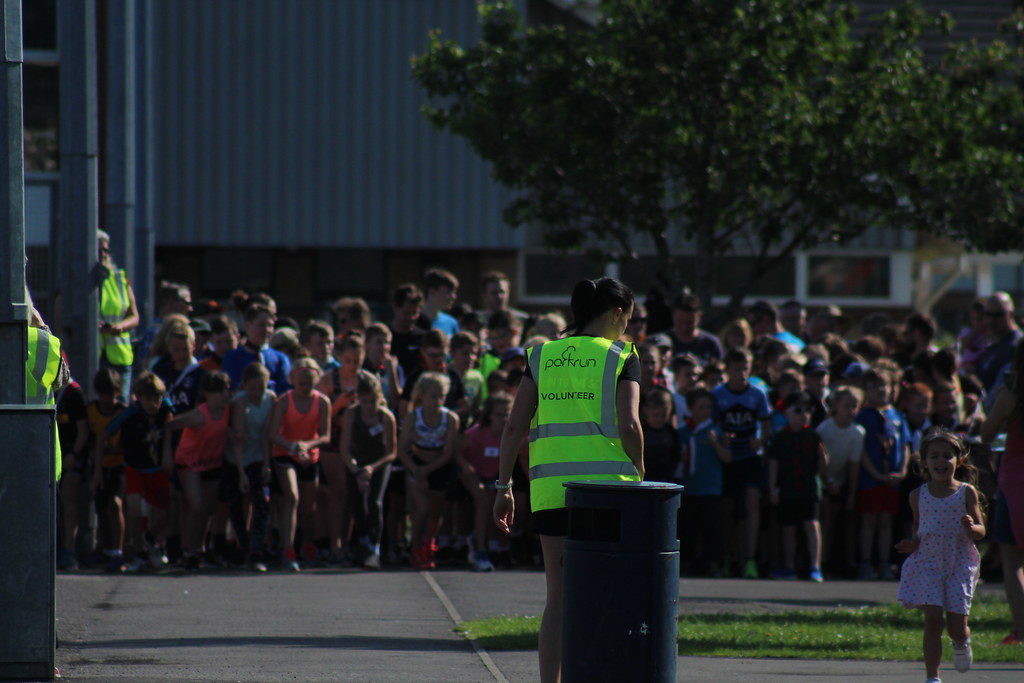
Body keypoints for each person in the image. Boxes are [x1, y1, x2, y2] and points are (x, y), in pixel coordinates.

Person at [493, 277, 644, 683]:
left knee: (558, 597)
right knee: (609, 593)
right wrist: (641, 468)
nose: (628, 327)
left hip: (553, 494)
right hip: (610, 493)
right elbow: (630, 424)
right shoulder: (621, 354)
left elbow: (512, 428)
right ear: (616, 314)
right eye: (628, 318)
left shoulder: (541, 355)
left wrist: (504, 486)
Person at [895, 429, 985, 682]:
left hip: (959, 563)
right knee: (933, 621)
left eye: (947, 456)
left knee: (956, 626)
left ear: (959, 461)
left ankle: (961, 641)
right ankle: (932, 677)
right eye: (934, 456)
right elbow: (919, 530)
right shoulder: (917, 495)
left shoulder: (966, 492)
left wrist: (972, 528)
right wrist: (912, 545)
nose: (940, 461)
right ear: (924, 462)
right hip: (928, 563)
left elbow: (981, 531)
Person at [102, 372, 173, 572]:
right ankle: (138, 551)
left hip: (156, 467)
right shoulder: (130, 413)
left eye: (157, 399)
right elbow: (105, 435)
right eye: (148, 399)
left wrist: (167, 453)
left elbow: (168, 427)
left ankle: (152, 542)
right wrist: (106, 460)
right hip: (134, 467)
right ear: (139, 397)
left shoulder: (165, 408)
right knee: (134, 509)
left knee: (163, 512)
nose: (153, 404)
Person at [162, 372, 232, 570]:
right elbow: (169, 425)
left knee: (208, 509)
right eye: (217, 392)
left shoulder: (228, 410)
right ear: (207, 394)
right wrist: (167, 454)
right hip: (189, 461)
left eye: (225, 391)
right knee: (196, 505)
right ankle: (187, 549)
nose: (222, 396)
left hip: (212, 462)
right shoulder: (199, 415)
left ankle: (197, 549)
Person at [713, 348, 772, 579]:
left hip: (750, 458)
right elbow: (715, 425)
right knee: (727, 509)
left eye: (745, 368)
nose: (742, 373)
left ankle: (750, 559)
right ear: (728, 370)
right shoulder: (718, 394)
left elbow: (766, 426)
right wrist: (721, 442)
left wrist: (761, 440)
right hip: (728, 459)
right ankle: (729, 556)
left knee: (752, 502)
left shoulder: (758, 394)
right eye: (737, 369)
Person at [980, 339, 1024, 646]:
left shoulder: (1011, 396)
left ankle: (1021, 631)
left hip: (1016, 477)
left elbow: (987, 433)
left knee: (1012, 560)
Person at [267, 358, 330, 571]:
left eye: (310, 383)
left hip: (308, 457)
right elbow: (273, 434)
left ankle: (308, 545)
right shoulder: (284, 401)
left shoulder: (322, 402)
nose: (305, 388)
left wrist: (306, 446)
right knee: (292, 497)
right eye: (301, 383)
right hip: (285, 454)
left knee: (308, 508)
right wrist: (293, 447)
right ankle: (287, 549)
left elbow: (325, 436)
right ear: (293, 380)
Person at [397, 372, 461, 570]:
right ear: (422, 395)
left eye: (442, 396)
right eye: (433, 396)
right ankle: (415, 546)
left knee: (435, 512)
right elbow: (401, 449)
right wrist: (416, 468)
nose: (438, 400)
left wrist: (430, 469)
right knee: (421, 509)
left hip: (438, 465)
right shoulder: (413, 417)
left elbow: (448, 451)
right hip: (417, 463)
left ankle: (428, 545)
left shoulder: (450, 418)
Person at [766, 391, 831, 582]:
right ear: (787, 412)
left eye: (808, 411)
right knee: (788, 529)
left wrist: (824, 459)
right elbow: (773, 464)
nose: (804, 414)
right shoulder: (780, 437)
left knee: (811, 525)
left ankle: (814, 566)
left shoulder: (813, 436)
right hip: (787, 489)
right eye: (798, 410)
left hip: (809, 489)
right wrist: (772, 488)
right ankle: (789, 566)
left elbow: (823, 468)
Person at [339, 373, 397, 570]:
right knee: (356, 502)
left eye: (373, 401)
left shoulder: (386, 417)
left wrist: (371, 469)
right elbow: (345, 448)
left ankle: (375, 547)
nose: (369, 405)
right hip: (357, 463)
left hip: (379, 463)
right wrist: (357, 470)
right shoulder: (351, 414)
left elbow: (391, 452)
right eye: (364, 401)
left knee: (375, 502)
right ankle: (361, 540)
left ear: (380, 398)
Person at [678, 387, 731, 577]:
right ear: (691, 409)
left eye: (708, 407)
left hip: (711, 488)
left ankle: (711, 564)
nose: (706, 411)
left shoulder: (715, 431)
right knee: (689, 528)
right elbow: (678, 461)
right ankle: (688, 562)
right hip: (690, 487)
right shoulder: (683, 432)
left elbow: (727, 457)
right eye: (701, 407)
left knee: (711, 530)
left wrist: (716, 443)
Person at [229, 363, 276, 572]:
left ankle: (257, 550)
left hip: (258, 454)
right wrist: (241, 473)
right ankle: (242, 546)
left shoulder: (272, 399)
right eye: (253, 388)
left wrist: (267, 464)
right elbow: (237, 440)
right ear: (245, 385)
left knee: (261, 502)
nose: (257, 392)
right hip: (237, 458)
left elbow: (267, 435)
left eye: (262, 387)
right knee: (237, 503)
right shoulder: (239, 402)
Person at [87, 369, 128, 572]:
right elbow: (91, 442)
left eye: (112, 394)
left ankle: (118, 551)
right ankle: (105, 549)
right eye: (104, 394)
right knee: (101, 508)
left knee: (115, 504)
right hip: (99, 466)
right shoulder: (91, 411)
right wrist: (96, 473)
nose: (108, 399)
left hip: (118, 466)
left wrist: (115, 449)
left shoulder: (123, 412)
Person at [97, 230, 141, 404]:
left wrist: (119, 327)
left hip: (119, 359)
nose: (103, 255)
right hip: (88, 356)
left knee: (120, 405)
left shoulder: (119, 278)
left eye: (106, 251)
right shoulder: (77, 279)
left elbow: (134, 316)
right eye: (98, 250)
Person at [221, 304, 292, 392]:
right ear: (247, 326)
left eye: (270, 325)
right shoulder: (233, 357)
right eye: (261, 325)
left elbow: (284, 388)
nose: (266, 330)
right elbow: (231, 386)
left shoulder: (280, 358)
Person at [662, 292, 723, 364]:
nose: (684, 328)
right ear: (672, 316)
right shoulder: (662, 342)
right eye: (680, 322)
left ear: (699, 316)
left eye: (690, 322)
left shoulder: (711, 344)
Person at [422, 268, 461, 336]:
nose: (453, 297)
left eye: (454, 292)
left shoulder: (451, 323)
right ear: (432, 291)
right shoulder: (413, 321)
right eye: (449, 292)